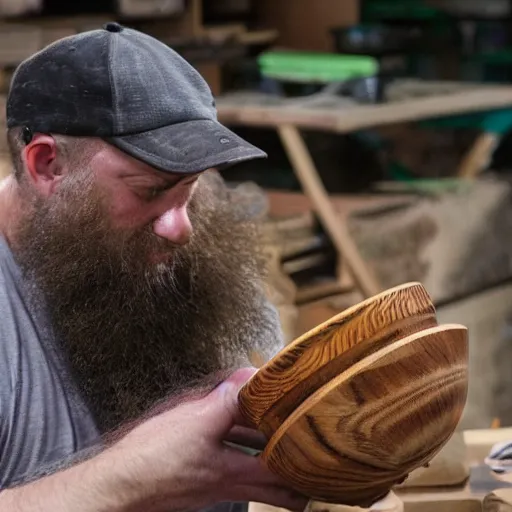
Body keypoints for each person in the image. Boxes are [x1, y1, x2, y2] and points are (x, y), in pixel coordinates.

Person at [0, 22, 308, 512]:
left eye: (191, 188)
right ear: (46, 166)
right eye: (151, 190)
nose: (180, 227)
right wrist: (129, 481)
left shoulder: (192, 263)